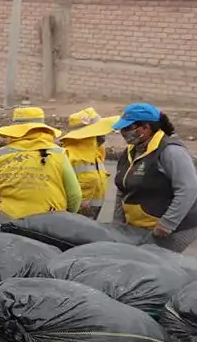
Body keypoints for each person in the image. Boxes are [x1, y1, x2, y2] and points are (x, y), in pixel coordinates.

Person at [112, 103, 197, 252]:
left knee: (156, 263)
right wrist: (118, 222)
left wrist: (167, 224)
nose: (123, 133)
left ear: (146, 127)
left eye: (127, 128)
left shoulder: (171, 152)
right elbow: (122, 188)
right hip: (143, 226)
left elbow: (188, 190)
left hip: (175, 227)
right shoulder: (130, 153)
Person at [0, 107, 81, 219]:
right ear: (43, 129)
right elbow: (75, 194)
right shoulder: (58, 153)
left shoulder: (0, 155)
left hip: (9, 219)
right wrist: (68, 215)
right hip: (50, 220)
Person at [59, 107, 117, 219]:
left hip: (91, 219)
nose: (103, 134)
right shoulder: (68, 156)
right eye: (99, 130)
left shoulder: (97, 154)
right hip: (71, 221)